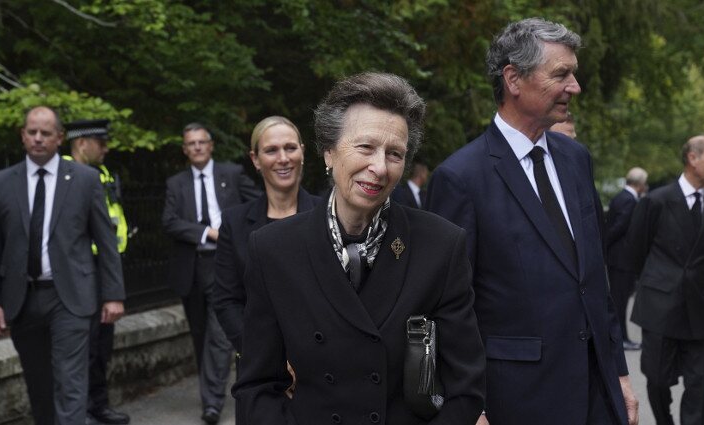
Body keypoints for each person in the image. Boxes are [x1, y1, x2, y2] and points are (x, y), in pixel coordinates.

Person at [232, 72, 485, 424]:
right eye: (365, 147)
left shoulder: (441, 246)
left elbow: (466, 389)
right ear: (329, 152)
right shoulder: (273, 249)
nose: (379, 168)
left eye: (394, 154)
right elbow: (256, 387)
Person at [426, 18, 638, 425]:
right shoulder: (460, 178)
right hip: (517, 400)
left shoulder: (576, 159)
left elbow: (594, 276)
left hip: (597, 393)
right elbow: (447, 305)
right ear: (513, 79)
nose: (574, 87)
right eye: (561, 74)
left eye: (573, 74)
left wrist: (620, 374)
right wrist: (466, 404)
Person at [0, 106, 125, 425]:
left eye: (46, 133)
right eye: (32, 132)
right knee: (39, 385)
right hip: (22, 298)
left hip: (70, 297)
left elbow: (106, 241)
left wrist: (113, 294)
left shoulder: (85, 179)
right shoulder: (1, 182)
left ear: (59, 138)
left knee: (71, 383)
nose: (38, 138)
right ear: (23, 135)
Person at [627, 135, 704, 425]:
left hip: (701, 309)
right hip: (659, 308)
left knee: (698, 385)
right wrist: (659, 283)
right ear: (693, 158)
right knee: (656, 379)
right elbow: (636, 251)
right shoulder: (656, 201)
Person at [161, 123, 260, 424]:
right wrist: (207, 232)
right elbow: (170, 222)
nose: (197, 148)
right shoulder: (175, 183)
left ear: (211, 145)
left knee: (219, 336)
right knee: (200, 334)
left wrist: (233, 235)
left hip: (225, 266)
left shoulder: (231, 174)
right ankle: (211, 391)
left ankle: (212, 403)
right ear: (185, 149)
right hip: (192, 267)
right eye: (191, 144)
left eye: (202, 142)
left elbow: (258, 202)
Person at [213, 115, 320, 357]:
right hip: (259, 366)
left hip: (321, 366)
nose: (283, 158)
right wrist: (260, 355)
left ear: (302, 153)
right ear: (255, 159)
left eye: (290, 148)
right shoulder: (234, 223)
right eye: (271, 150)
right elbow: (226, 300)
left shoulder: (328, 216)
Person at [63, 118, 130, 424]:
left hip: (105, 266)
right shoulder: (65, 173)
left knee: (102, 345)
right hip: (78, 270)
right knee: (83, 345)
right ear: (81, 143)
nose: (106, 148)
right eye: (100, 143)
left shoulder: (99, 173)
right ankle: (84, 408)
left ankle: (98, 405)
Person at [605, 167, 648, 351]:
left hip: (617, 258)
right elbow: (620, 227)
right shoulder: (629, 200)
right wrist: (605, 245)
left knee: (619, 301)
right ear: (639, 184)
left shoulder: (620, 197)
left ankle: (621, 337)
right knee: (620, 302)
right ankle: (621, 338)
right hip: (622, 259)